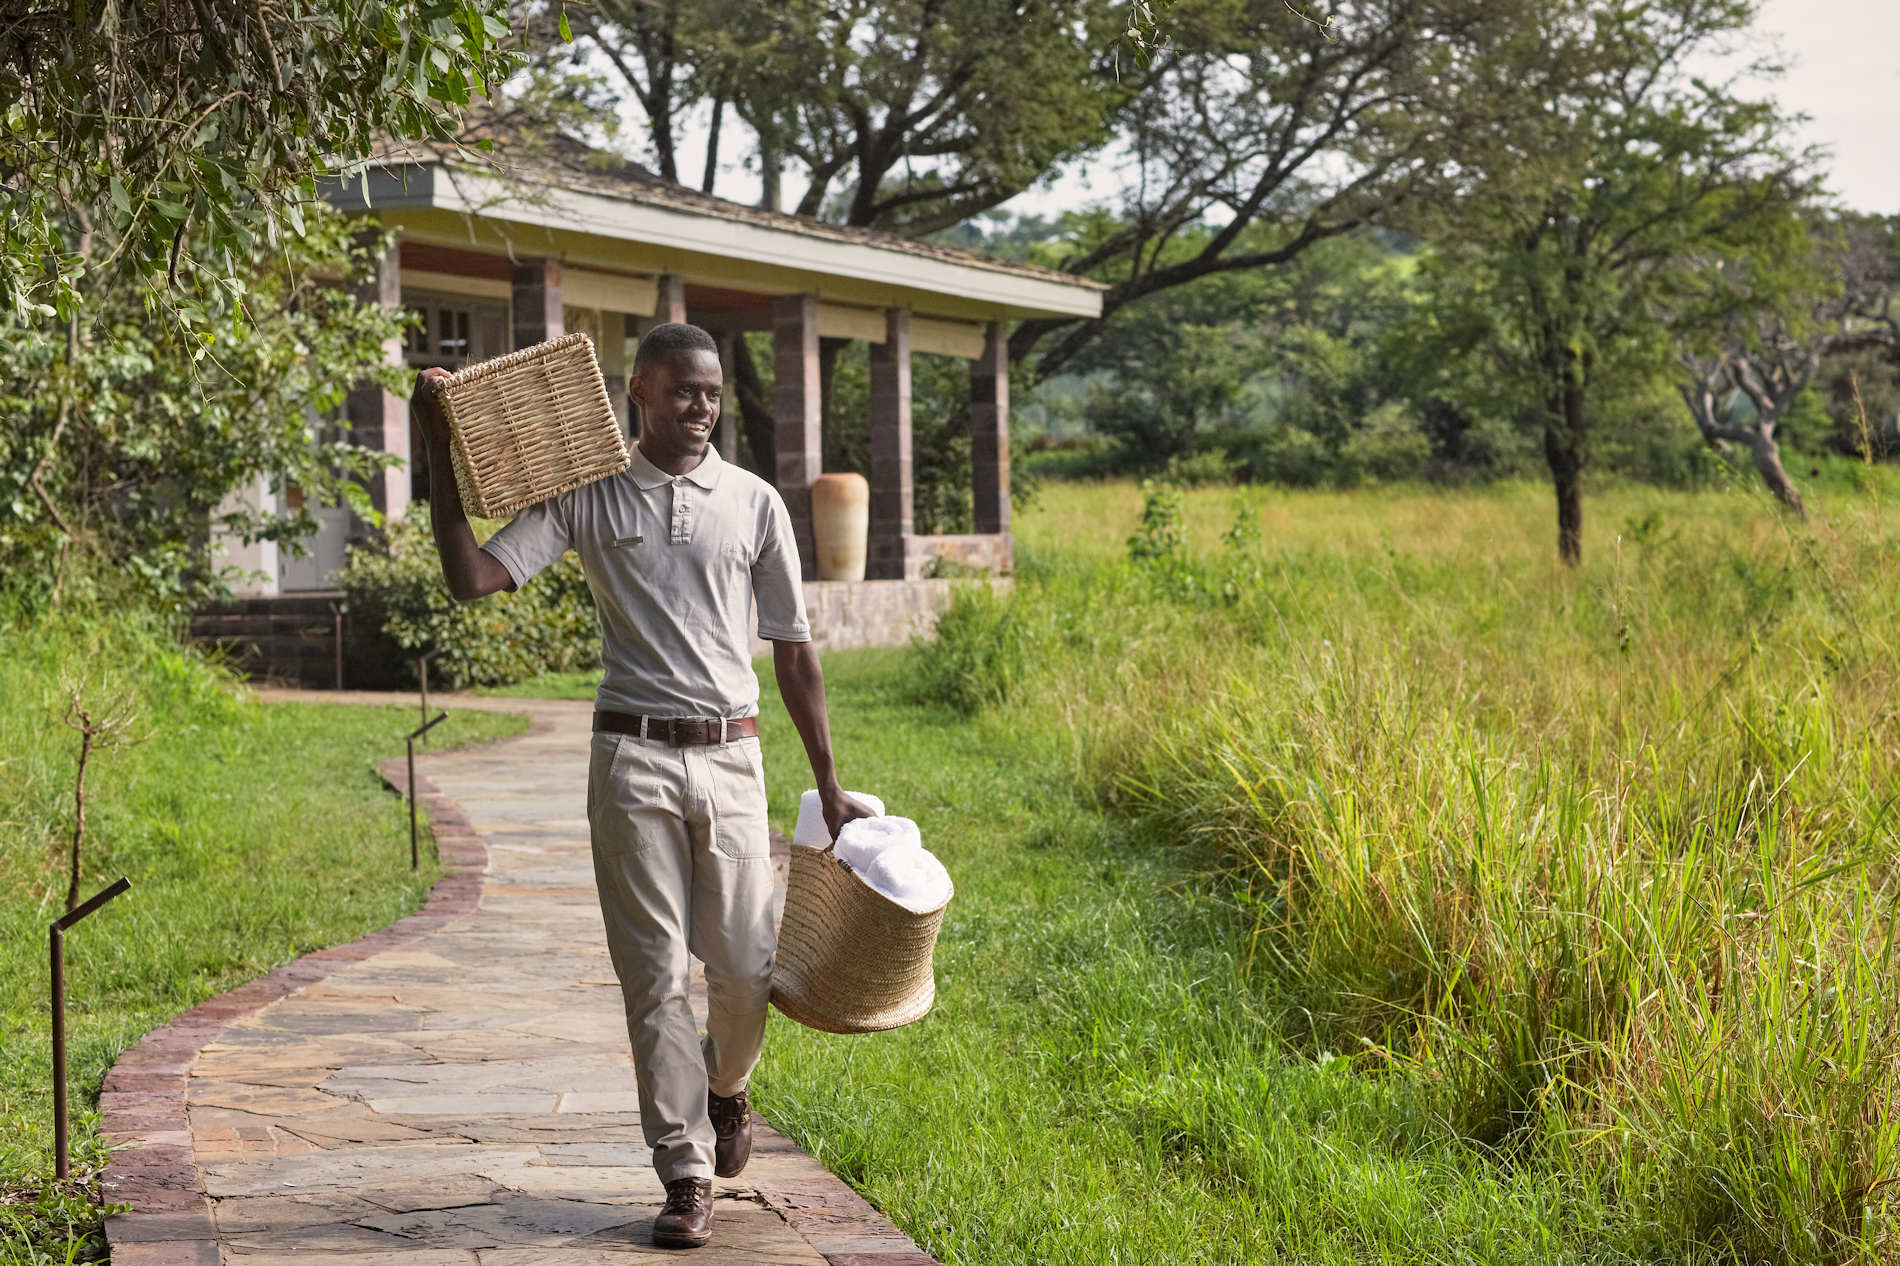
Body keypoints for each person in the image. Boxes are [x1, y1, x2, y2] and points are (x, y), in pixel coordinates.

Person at [408, 322, 871, 1249]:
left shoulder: (754, 502)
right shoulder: (585, 495)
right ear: (640, 394)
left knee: (744, 968)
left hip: (733, 758)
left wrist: (828, 782)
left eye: (710, 394)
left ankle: (727, 1087)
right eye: (683, 392)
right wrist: (437, 447)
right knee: (654, 976)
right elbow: (470, 577)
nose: (701, 409)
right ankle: (685, 1171)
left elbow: (794, 651)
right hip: (631, 762)